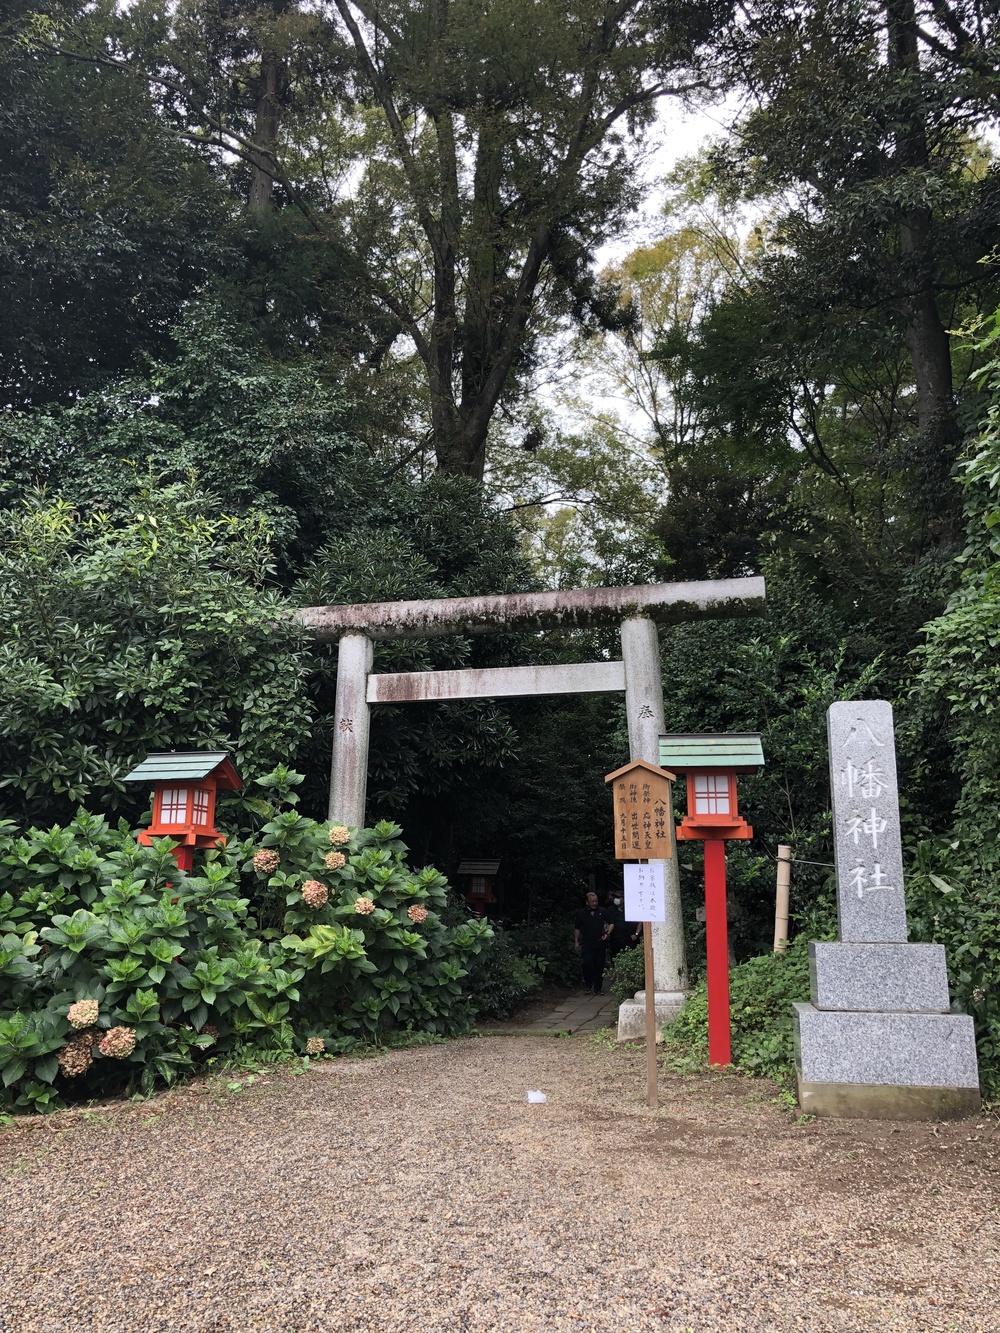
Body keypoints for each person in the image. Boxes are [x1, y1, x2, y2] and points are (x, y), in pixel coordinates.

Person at [573, 891, 613, 996]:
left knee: (599, 966)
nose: (594, 903)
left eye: (596, 901)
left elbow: (611, 923)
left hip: (600, 943)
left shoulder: (603, 911)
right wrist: (576, 941)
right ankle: (588, 984)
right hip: (587, 943)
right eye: (592, 902)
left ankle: (598, 988)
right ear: (587, 902)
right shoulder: (581, 913)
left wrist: (607, 933)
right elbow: (577, 928)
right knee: (586, 964)